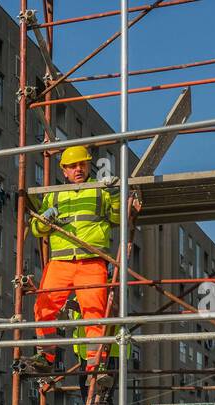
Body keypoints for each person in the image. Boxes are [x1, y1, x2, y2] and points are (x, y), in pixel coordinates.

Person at [20, 145, 142, 376]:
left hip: (91, 260)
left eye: (82, 164)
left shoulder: (99, 190)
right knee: (44, 307)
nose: (78, 169)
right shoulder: (53, 194)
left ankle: (96, 363)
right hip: (61, 262)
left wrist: (116, 193)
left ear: (88, 166)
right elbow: (36, 229)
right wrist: (45, 219)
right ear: (64, 170)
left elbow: (118, 218)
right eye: (73, 166)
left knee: (94, 312)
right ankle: (46, 357)